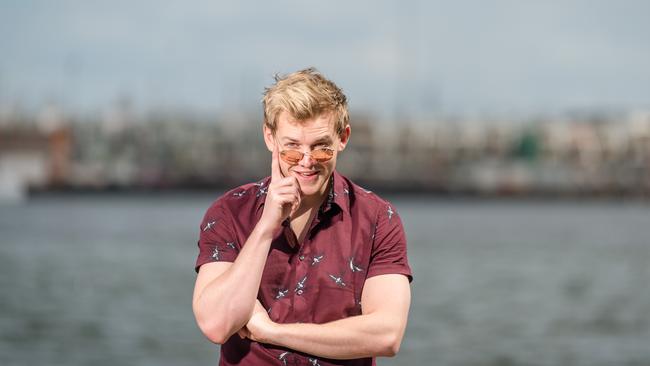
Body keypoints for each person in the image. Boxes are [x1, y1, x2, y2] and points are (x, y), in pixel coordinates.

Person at [192, 68, 412, 366]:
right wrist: (267, 226)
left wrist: (271, 332)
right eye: (292, 148)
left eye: (321, 147)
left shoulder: (377, 218)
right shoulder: (230, 212)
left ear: (342, 138)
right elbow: (216, 324)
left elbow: (386, 335)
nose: (307, 162)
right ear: (270, 138)